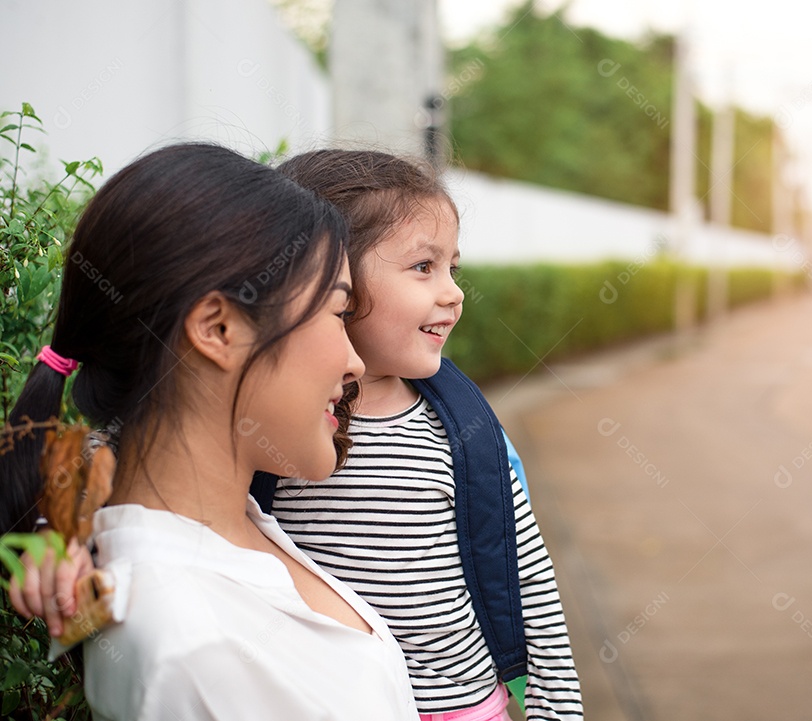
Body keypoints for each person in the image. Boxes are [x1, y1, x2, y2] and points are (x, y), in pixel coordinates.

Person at [2, 143, 420, 720]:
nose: (354, 363)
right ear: (219, 328)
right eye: (336, 311)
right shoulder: (190, 647)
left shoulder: (233, 531)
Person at [264, 149, 584, 720]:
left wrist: (554, 712)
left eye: (452, 268)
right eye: (422, 267)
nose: (453, 293)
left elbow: (531, 582)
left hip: (466, 709)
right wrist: (48, 544)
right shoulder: (273, 425)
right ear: (327, 280)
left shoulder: (469, 437)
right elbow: (145, 463)